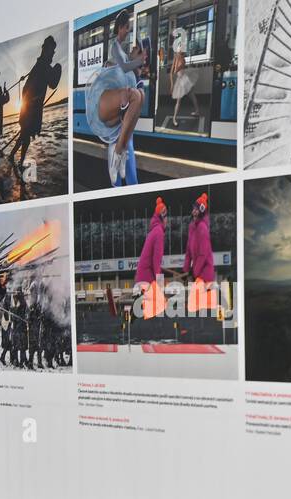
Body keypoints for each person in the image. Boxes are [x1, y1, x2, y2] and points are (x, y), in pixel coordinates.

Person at [85, 11, 146, 186]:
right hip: (110, 100)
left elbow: (127, 71)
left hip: (119, 105)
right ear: (120, 27)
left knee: (125, 139)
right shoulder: (114, 47)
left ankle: (120, 167)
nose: (128, 31)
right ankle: (119, 164)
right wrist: (138, 61)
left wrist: (137, 64)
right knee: (122, 142)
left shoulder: (123, 52)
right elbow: (125, 67)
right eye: (127, 27)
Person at [9, 35, 62, 174]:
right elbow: (53, 83)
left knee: (23, 136)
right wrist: (58, 67)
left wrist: (31, 102)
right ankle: (20, 163)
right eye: (51, 50)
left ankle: (11, 156)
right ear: (45, 49)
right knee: (25, 138)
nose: (53, 53)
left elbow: (29, 88)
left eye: (53, 51)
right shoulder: (43, 66)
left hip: (29, 110)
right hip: (30, 111)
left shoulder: (40, 65)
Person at [133, 197, 168, 325]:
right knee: (160, 305)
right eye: (166, 217)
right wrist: (159, 282)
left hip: (144, 275)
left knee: (154, 307)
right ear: (162, 217)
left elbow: (154, 261)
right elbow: (156, 261)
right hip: (147, 277)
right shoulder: (158, 233)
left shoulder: (154, 231)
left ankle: (134, 322)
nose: (167, 221)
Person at [183, 192, 218, 315]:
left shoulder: (202, 228)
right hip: (198, 273)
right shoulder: (192, 227)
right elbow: (188, 249)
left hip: (205, 273)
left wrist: (194, 271)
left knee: (197, 306)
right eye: (193, 208)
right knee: (195, 306)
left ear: (201, 211)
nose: (193, 211)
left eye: (196, 209)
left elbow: (203, 254)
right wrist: (186, 268)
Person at [166, 29, 201, 128]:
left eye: (182, 48)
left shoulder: (183, 59)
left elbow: (179, 69)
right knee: (179, 100)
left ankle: (197, 111)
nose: (181, 49)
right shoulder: (176, 58)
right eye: (180, 47)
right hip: (180, 81)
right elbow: (172, 72)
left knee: (192, 95)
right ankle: (174, 118)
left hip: (185, 79)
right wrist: (172, 85)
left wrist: (179, 64)